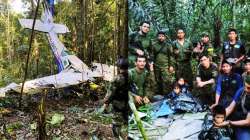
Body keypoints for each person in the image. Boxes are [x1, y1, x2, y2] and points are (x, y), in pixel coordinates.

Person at [216, 75, 250, 140]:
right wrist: (220, 117)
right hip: (240, 119)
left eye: (249, 88)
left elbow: (248, 122)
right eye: (245, 86)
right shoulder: (241, 90)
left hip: (246, 124)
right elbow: (230, 108)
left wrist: (229, 123)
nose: (246, 89)